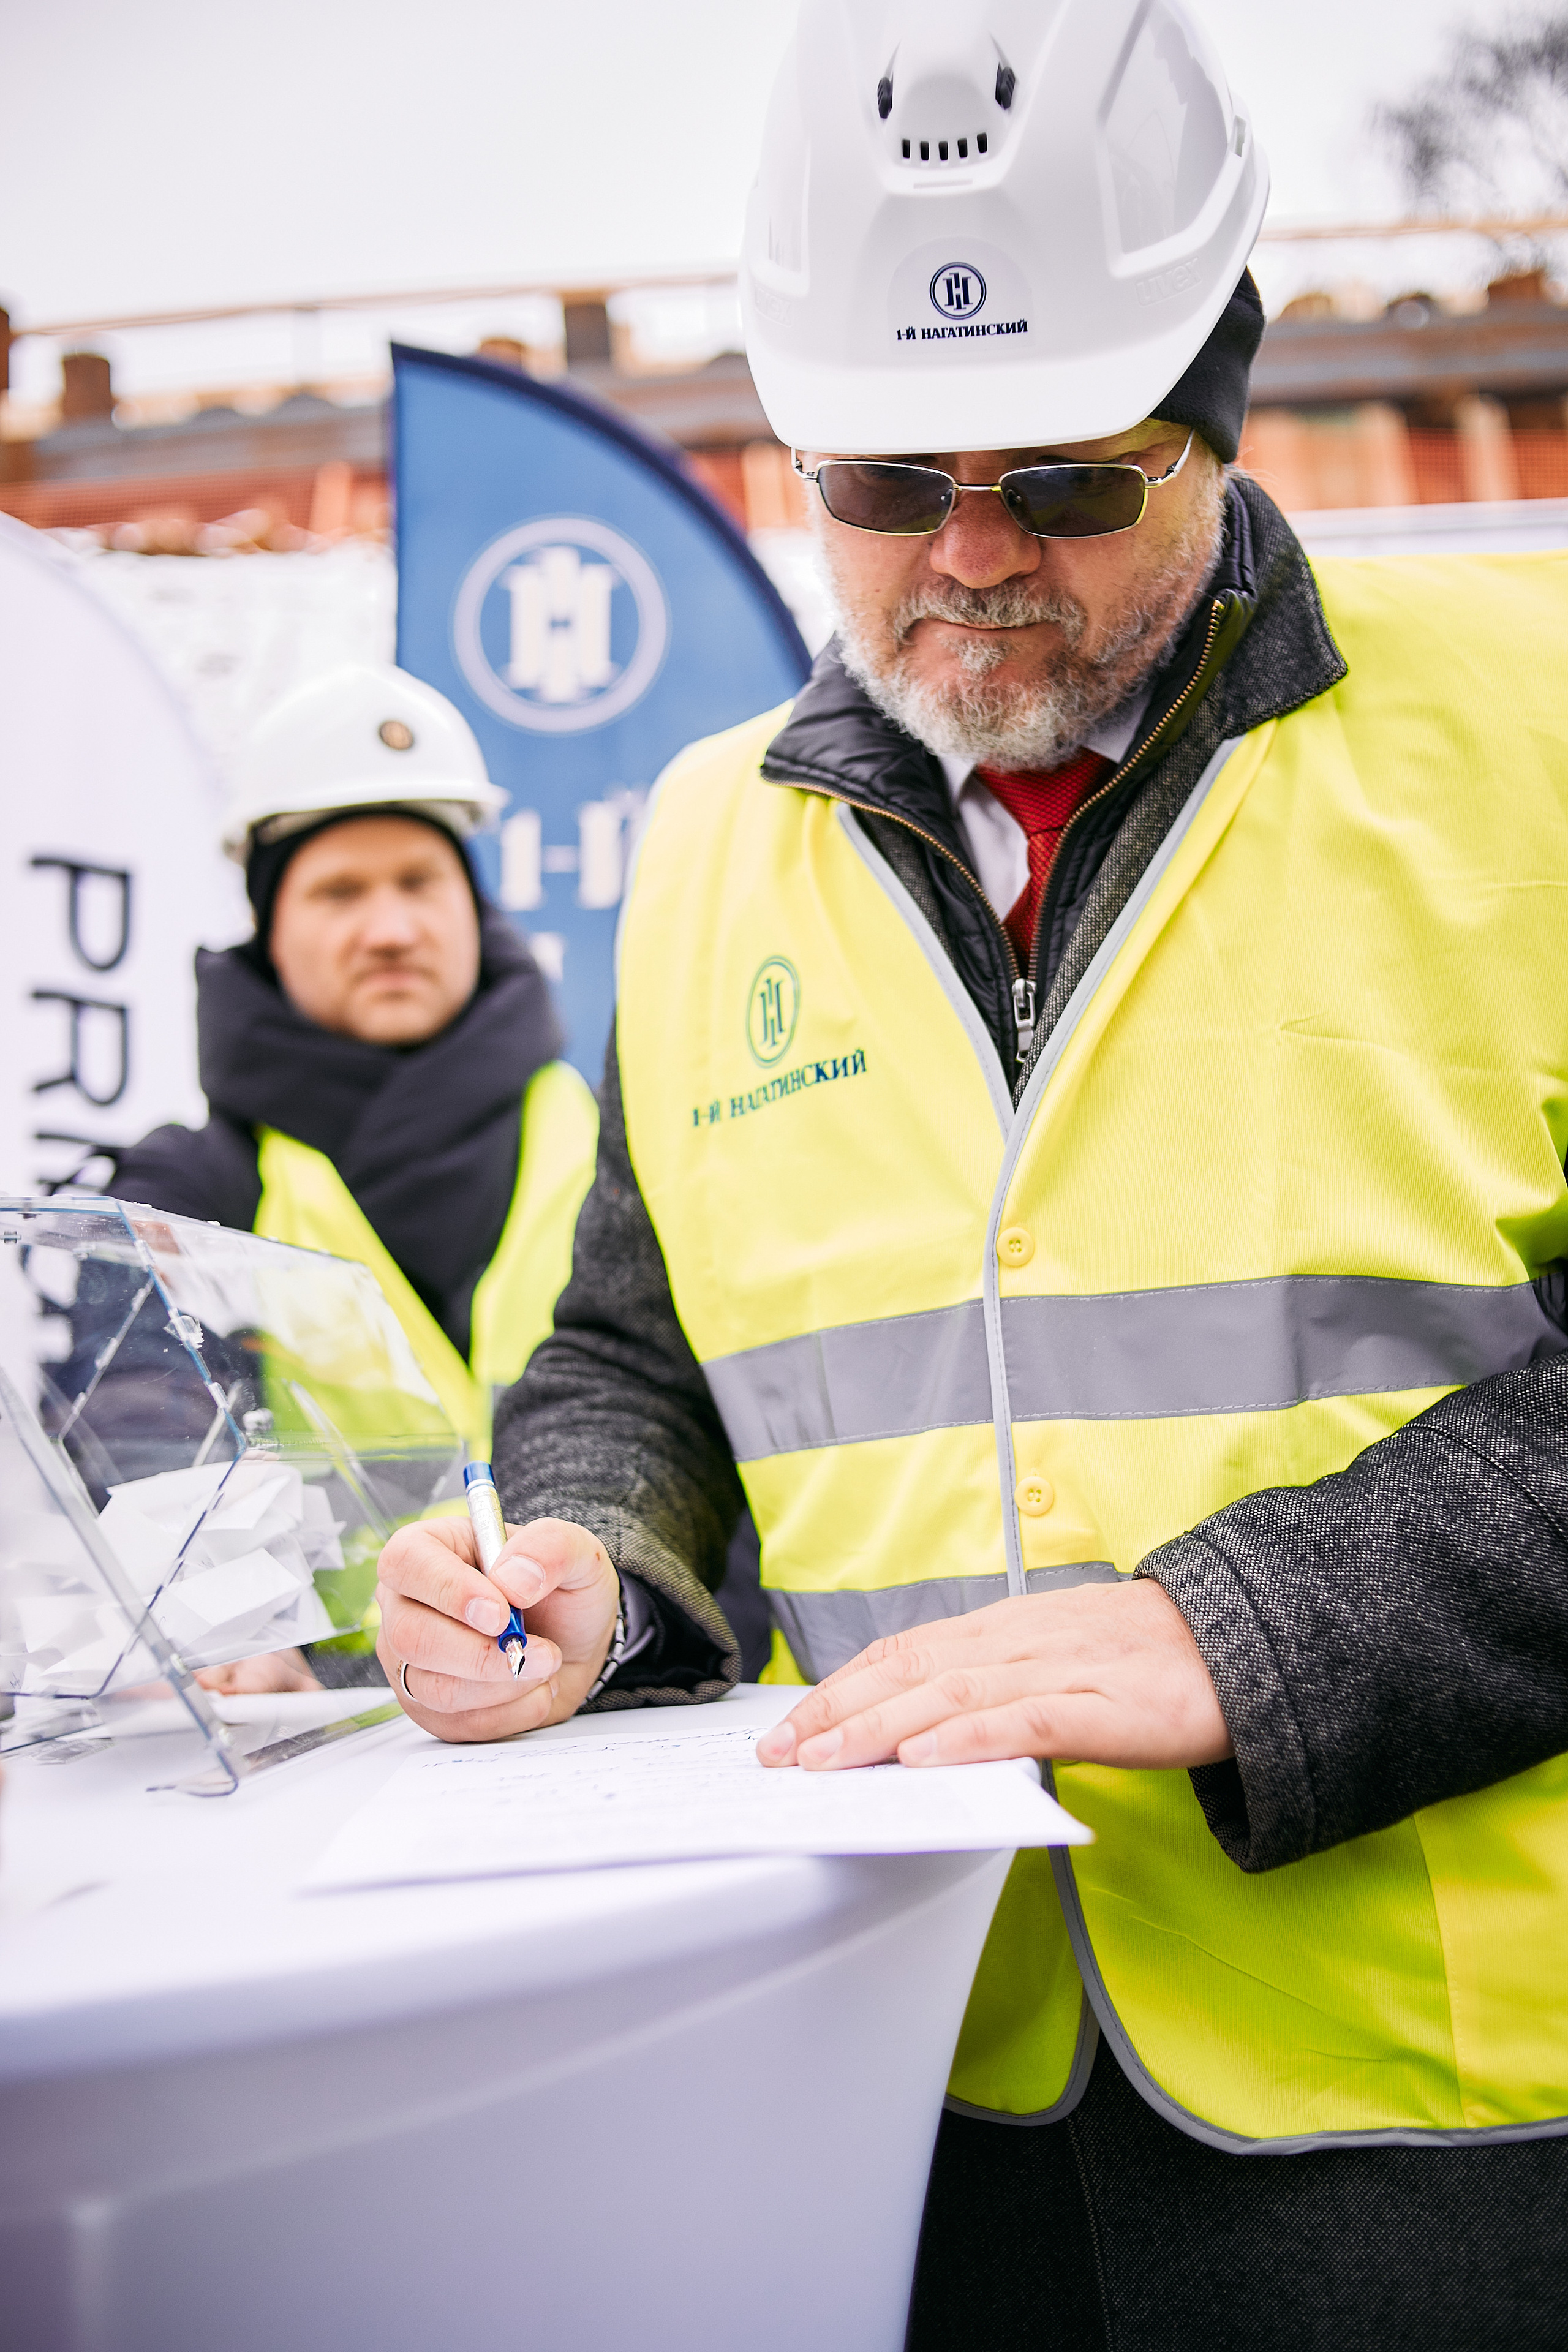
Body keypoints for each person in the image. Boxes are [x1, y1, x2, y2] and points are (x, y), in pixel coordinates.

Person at [371, 3, 1568, 2343]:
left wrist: (1255, 1628)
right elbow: (640, 1353)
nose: (978, 559)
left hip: (1447, 2122)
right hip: (917, 2078)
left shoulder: (1528, 734)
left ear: (1221, 409)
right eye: (891, 489)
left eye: (1076, 481)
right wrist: (593, 1571)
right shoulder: (718, 844)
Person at [113, 661, 598, 1687]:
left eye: (421, 883)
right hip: (320, 1740)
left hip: (615, 1701)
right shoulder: (193, 1188)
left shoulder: (610, 1138)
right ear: (268, 931)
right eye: (339, 891)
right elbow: (139, 1412)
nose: (389, 928)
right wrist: (231, 1625)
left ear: (473, 909)